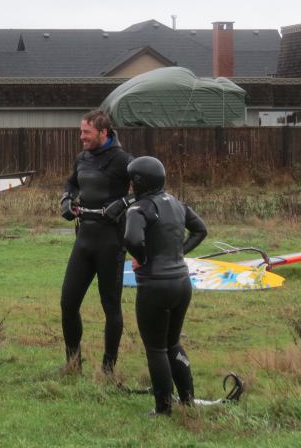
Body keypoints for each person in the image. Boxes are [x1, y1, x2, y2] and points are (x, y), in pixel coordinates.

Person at [122, 156, 207, 415]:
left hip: (155, 287)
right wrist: (177, 253)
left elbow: (131, 238)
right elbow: (200, 230)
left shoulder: (139, 209)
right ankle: (188, 399)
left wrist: (143, 259)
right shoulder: (178, 204)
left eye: (131, 181)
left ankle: (163, 408)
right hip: (182, 284)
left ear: (139, 182)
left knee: (156, 348)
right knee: (172, 343)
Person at [59, 110, 132, 375]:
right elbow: (71, 183)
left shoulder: (123, 160)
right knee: (68, 303)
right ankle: (73, 363)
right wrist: (66, 200)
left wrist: (123, 203)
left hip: (111, 242)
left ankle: (109, 368)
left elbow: (150, 191)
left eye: (86, 133)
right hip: (84, 239)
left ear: (103, 132)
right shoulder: (82, 158)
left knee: (110, 306)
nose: (81, 137)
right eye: (81, 132)